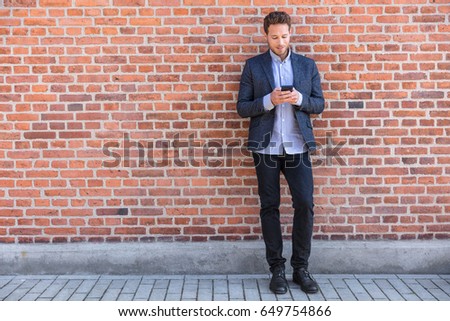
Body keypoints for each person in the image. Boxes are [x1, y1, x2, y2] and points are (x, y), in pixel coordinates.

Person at [237, 11, 324, 295]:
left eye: (284, 36)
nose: (279, 41)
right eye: (274, 36)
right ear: (266, 35)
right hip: (267, 147)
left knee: (305, 204)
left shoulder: (307, 66)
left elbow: (319, 104)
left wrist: (299, 98)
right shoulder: (253, 66)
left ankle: (301, 268)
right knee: (269, 207)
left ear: (290, 34)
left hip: (298, 147)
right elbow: (242, 107)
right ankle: (277, 269)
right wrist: (268, 101)